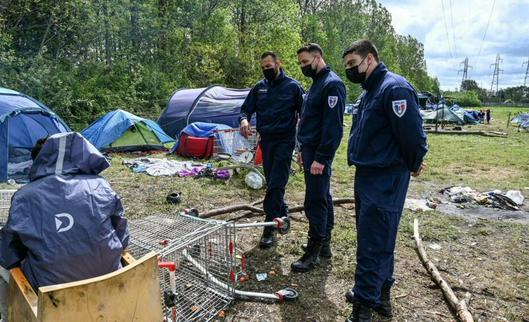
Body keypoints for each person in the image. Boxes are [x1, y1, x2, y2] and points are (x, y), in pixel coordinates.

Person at [342, 40, 428, 322]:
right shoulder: (369, 92)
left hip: (385, 176)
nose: (350, 71)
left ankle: (363, 309)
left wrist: (413, 164)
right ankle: (380, 296)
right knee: (378, 238)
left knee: (372, 242)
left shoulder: (394, 88)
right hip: (367, 174)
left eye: (353, 64)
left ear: (369, 59)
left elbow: (413, 135)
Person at [0, 132, 129, 291]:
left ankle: (8, 316)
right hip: (111, 278)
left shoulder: (25, 196)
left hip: (52, 293)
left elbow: (9, 254)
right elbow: (122, 234)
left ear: (38, 161)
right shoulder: (100, 184)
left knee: (4, 269)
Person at [239, 51, 304, 248]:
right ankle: (283, 212)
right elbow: (245, 109)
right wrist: (244, 119)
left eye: (269, 66)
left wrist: (302, 145)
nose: (266, 70)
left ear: (278, 63)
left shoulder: (293, 87)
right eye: (263, 68)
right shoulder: (259, 88)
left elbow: (305, 113)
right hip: (265, 141)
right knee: (273, 182)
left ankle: (269, 228)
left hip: (285, 141)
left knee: (277, 183)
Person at [291, 43, 345, 272]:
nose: (303, 67)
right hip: (310, 149)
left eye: (305, 62)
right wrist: (303, 150)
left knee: (314, 200)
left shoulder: (332, 85)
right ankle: (324, 245)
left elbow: (333, 128)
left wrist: (321, 158)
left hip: (319, 151)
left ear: (318, 57)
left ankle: (313, 251)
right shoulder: (316, 84)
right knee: (323, 196)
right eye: (300, 63)